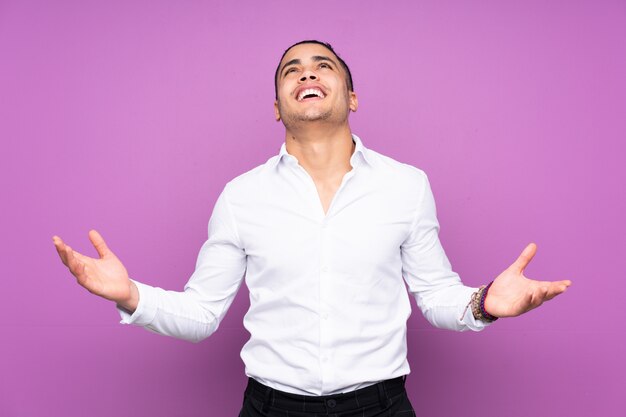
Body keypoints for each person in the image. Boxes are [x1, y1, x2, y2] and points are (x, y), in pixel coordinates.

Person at [52, 40, 572, 417]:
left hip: (381, 407)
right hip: (270, 408)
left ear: (352, 97)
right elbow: (203, 313)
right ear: (277, 108)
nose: (307, 74)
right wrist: (130, 295)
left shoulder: (407, 186)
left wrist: (485, 303)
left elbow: (435, 295)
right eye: (291, 71)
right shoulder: (241, 197)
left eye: (322, 66)